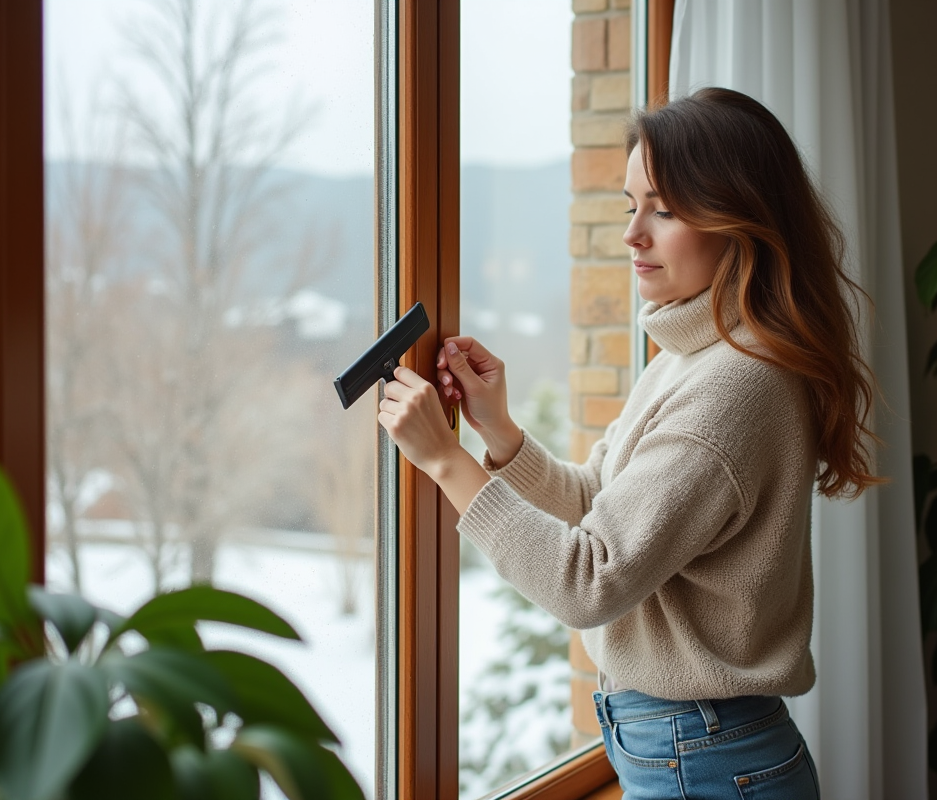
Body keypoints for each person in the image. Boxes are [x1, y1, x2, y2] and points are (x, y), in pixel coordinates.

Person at [375, 87, 880, 800]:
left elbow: (589, 579)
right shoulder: (695, 357)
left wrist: (443, 460)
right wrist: (498, 432)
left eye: (664, 210)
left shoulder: (734, 388)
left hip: (702, 759)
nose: (631, 234)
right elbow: (604, 509)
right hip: (694, 749)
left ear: (742, 224)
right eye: (629, 204)